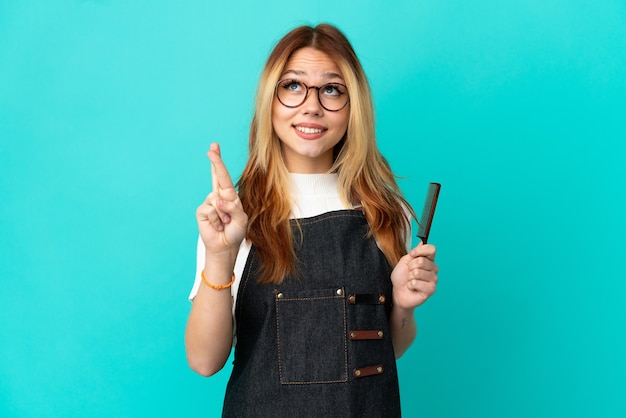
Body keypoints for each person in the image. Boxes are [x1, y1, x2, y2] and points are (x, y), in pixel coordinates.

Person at [185, 23, 439, 417]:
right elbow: (204, 361)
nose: (311, 105)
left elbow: (390, 350)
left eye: (332, 89)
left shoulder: (389, 213)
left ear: (354, 106)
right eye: (293, 86)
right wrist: (220, 255)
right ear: (270, 100)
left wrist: (403, 306)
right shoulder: (233, 215)